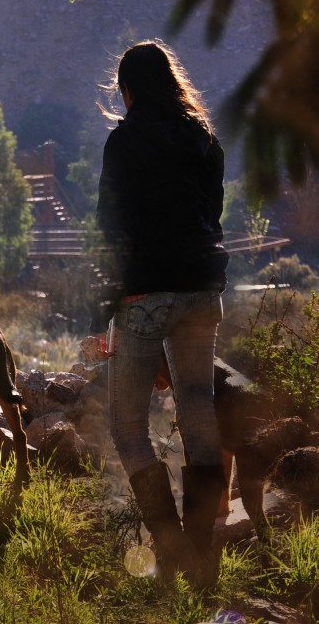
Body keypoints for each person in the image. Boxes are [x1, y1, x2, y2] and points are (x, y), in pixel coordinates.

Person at [96, 40, 229, 584]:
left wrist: (103, 308)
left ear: (127, 92)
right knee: (200, 421)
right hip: (202, 290)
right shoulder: (204, 139)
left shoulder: (125, 142)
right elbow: (212, 212)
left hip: (146, 295)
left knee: (127, 425)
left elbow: (111, 228)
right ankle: (201, 558)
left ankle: (172, 550)